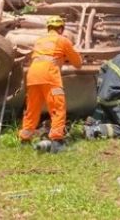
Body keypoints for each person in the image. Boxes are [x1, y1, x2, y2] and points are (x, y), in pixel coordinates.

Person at [19, 15, 82, 153]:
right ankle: (57, 142)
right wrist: (66, 57)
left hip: (32, 75)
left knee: (32, 109)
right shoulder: (62, 40)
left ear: (48, 28)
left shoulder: (39, 41)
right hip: (49, 76)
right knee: (57, 107)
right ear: (61, 28)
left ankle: (24, 140)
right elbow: (78, 63)